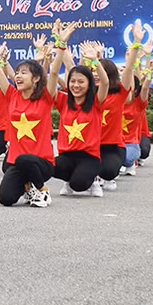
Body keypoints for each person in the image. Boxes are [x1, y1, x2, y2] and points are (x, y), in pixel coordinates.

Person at [0, 17, 68, 208]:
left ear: (36, 78)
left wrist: (61, 45)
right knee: (6, 198)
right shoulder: (12, 95)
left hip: (42, 162)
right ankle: (28, 188)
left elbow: (53, 73)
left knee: (25, 159)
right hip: (17, 162)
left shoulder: (45, 97)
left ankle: (42, 191)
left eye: (24, 73)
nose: (18, 76)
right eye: (17, 73)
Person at [51, 40, 108, 197]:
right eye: (73, 81)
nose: (76, 85)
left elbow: (105, 82)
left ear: (89, 84)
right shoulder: (63, 101)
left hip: (89, 156)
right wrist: (53, 57)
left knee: (79, 184)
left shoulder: (96, 102)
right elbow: (53, 76)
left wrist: (95, 60)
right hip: (67, 155)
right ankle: (68, 179)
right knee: (48, 167)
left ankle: (93, 180)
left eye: (81, 82)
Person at [94, 20, 146, 191]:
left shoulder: (119, 95)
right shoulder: (90, 95)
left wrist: (136, 44)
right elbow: (75, 69)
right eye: (94, 72)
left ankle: (110, 173)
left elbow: (129, 68)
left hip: (114, 146)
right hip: (93, 146)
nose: (96, 75)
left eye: (99, 71)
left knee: (108, 170)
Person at [121, 60, 153, 176]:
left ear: (135, 90)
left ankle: (130, 163)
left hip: (131, 143)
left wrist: (150, 71)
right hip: (116, 142)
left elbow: (144, 87)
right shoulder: (115, 100)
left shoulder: (139, 103)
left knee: (125, 157)